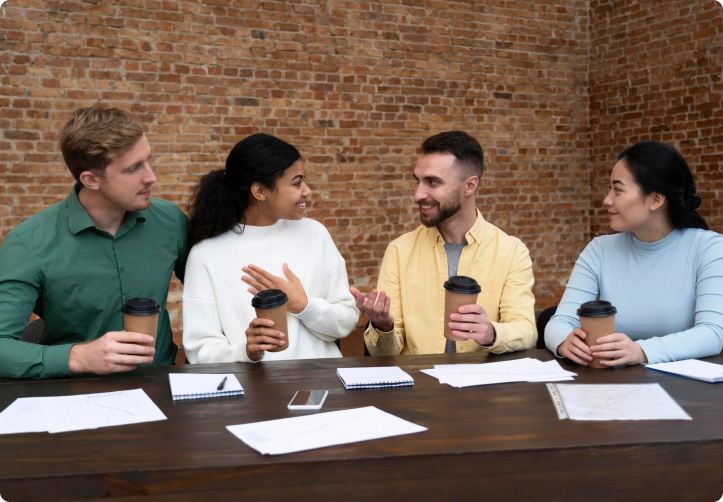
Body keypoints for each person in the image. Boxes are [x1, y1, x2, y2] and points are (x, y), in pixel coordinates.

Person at [0, 107, 188, 378]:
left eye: (148, 160)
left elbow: (212, 292)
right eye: (133, 168)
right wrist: (79, 357)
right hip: (74, 395)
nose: (151, 176)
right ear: (91, 179)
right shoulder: (27, 245)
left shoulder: (171, 222)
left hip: (161, 387)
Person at [351, 131, 537, 356]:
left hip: (484, 386)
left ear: (469, 186)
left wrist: (491, 333)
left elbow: (526, 330)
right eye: (417, 181)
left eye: (432, 182)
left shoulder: (511, 251)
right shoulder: (400, 251)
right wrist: (384, 326)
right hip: (419, 388)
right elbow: (384, 355)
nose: (418, 194)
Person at [182, 133, 359, 363]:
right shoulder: (206, 255)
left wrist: (304, 307)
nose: (307, 190)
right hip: (250, 392)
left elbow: (346, 319)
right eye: (296, 183)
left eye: (304, 180)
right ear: (260, 191)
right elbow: (199, 350)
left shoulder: (315, 234)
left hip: (322, 385)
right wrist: (245, 351)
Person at [545, 141, 723, 366]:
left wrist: (641, 351)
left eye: (618, 190)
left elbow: (712, 334)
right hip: (612, 387)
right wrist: (564, 341)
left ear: (656, 199)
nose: (607, 200)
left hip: (685, 392)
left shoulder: (708, 249)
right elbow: (560, 321)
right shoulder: (600, 250)